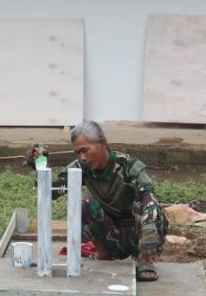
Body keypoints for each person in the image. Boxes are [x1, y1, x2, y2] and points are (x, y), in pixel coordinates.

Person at [26, 120, 167, 281]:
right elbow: (51, 193)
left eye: (85, 150)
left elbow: (148, 194)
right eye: (78, 153)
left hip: (139, 235)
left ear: (102, 143)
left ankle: (145, 260)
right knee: (83, 203)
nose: (82, 157)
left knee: (147, 202)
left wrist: (149, 229)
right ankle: (103, 254)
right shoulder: (81, 168)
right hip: (112, 236)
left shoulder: (127, 166)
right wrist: (39, 166)